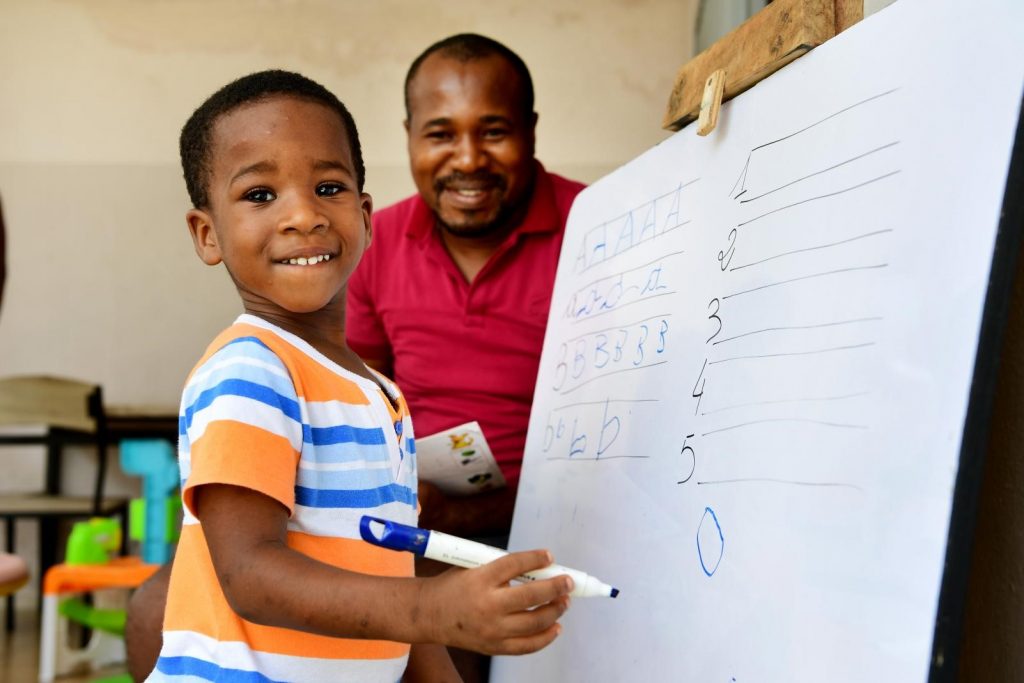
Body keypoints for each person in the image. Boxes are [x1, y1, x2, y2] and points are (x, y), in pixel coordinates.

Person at [140, 69, 572, 682]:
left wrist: (426, 619)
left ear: (366, 217)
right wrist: (430, 607)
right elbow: (248, 575)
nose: (303, 216)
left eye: (329, 186)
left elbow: (389, 578)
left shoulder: (379, 394)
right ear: (207, 234)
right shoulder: (249, 371)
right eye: (260, 195)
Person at [346, 33, 586, 540]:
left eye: (494, 132)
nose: (470, 160)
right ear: (410, 136)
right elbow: (359, 399)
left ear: (532, 132)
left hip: (569, 526)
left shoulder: (598, 227)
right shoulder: (375, 242)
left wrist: (464, 518)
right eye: (440, 135)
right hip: (414, 523)